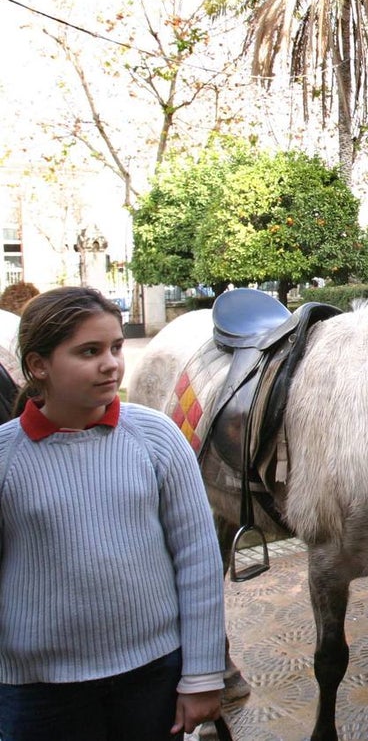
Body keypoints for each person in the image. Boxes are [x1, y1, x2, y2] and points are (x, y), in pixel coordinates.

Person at [0, 287, 226, 740]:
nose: (111, 363)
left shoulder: (156, 438)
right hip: (38, 690)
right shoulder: (6, 456)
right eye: (89, 351)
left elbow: (198, 560)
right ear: (38, 365)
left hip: (151, 675)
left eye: (116, 347)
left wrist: (202, 675)